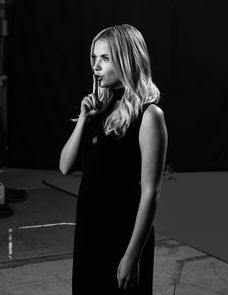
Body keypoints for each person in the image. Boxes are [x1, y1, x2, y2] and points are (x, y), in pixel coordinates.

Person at [59, 24, 168, 294]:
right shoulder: (99, 109)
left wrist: (132, 256)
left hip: (123, 233)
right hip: (89, 230)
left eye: (105, 58)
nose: (96, 65)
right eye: (94, 57)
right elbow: (64, 166)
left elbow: (150, 191)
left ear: (126, 60)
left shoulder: (149, 115)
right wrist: (84, 118)